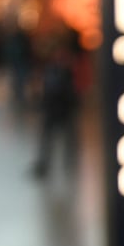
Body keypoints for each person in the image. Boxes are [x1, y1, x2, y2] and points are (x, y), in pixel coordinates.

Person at [31, 30, 80, 178]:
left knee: (67, 138)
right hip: (52, 109)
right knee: (47, 138)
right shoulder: (50, 70)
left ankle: (69, 162)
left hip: (63, 109)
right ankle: (44, 164)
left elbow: (72, 90)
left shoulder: (66, 71)